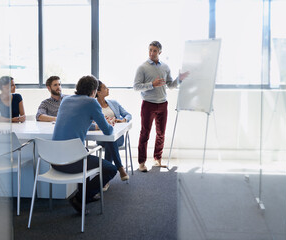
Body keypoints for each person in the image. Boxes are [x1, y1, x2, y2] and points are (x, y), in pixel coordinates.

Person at [52, 75, 117, 214]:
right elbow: (107, 131)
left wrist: (95, 127)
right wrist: (109, 124)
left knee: (85, 151)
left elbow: (77, 121)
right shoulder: (91, 102)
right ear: (94, 91)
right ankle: (80, 198)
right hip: (71, 162)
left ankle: (86, 196)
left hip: (54, 159)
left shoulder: (66, 99)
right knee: (111, 169)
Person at [133, 41, 189, 172]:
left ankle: (157, 159)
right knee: (145, 133)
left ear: (160, 52)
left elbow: (170, 85)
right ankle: (142, 162)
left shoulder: (165, 67)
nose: (152, 53)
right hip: (148, 104)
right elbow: (136, 86)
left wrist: (179, 79)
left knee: (161, 133)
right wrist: (152, 84)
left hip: (163, 104)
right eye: (150, 50)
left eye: (154, 51)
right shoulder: (142, 67)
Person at [95, 80, 131, 181]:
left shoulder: (114, 103)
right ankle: (120, 168)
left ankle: (106, 179)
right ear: (98, 92)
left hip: (117, 137)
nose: (108, 89)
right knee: (108, 139)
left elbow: (128, 115)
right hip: (101, 137)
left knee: (110, 140)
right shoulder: (94, 106)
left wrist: (124, 120)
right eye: (105, 88)